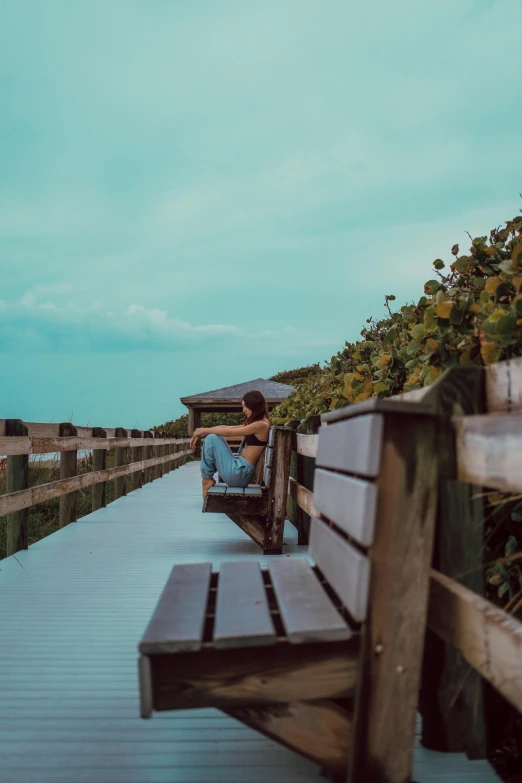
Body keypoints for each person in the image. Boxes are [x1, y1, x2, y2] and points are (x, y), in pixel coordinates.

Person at [190, 390, 270, 499]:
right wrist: (202, 430)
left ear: (254, 404)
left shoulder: (261, 425)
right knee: (215, 436)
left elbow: (230, 433)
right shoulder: (258, 424)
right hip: (240, 472)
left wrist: (204, 431)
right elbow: (229, 428)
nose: (243, 410)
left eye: (245, 406)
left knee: (212, 438)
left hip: (240, 473)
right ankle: (207, 479)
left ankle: (206, 479)